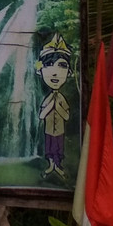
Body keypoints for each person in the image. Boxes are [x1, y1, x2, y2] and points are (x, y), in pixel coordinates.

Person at [36, 33, 72, 179]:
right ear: (40, 71)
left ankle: (58, 166)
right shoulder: (49, 99)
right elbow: (41, 115)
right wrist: (52, 105)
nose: (55, 73)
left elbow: (67, 116)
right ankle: (51, 166)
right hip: (49, 130)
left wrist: (58, 107)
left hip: (60, 131)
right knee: (50, 149)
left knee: (59, 148)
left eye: (62, 65)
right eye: (49, 65)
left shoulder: (61, 98)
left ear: (69, 73)